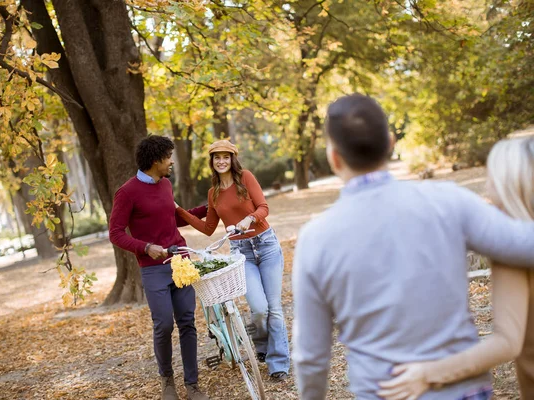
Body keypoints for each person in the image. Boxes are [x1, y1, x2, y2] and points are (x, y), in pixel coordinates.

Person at [292, 94, 534, 399]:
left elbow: (310, 356)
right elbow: (525, 244)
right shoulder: (448, 201)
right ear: (391, 143)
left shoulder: (315, 239)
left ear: (334, 158)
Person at [378, 136, 534, 400]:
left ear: (511, 183)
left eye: (491, 176)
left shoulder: (512, 252)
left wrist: (429, 373)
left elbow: (507, 342)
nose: (487, 185)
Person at [175, 139, 291, 381]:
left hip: (266, 245)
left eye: (225, 156)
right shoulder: (214, 193)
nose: (221, 161)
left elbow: (263, 207)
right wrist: (179, 211)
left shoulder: (246, 178)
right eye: (217, 157)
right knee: (259, 309)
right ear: (212, 161)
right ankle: (261, 346)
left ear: (232, 158)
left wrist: (249, 219)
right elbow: (207, 228)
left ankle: (278, 363)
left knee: (274, 309)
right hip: (242, 253)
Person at [109, 135, 210, 400]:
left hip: (181, 261)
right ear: (155, 160)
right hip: (153, 268)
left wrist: (209, 209)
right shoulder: (127, 192)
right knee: (164, 323)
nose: (171, 162)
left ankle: (192, 385)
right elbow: (116, 233)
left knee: (187, 322)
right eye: (168, 157)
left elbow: (175, 218)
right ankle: (167, 381)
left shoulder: (165, 185)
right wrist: (145, 247)